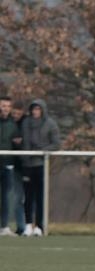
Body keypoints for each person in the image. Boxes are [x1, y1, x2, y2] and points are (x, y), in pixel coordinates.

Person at [21, 99, 61, 237]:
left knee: (40, 197)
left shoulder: (50, 124)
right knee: (27, 197)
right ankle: (27, 225)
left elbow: (56, 144)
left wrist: (43, 150)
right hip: (27, 165)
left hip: (41, 165)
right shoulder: (25, 123)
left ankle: (39, 226)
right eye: (33, 109)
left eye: (38, 109)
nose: (35, 112)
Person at [0, 96, 18, 236]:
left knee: (6, 197)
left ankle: (4, 226)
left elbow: (17, 140)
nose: (5, 108)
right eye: (3, 105)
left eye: (7, 106)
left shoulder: (13, 124)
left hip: (8, 164)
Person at [10, 100, 27, 235]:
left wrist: (21, 142)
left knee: (27, 198)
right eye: (14, 112)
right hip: (14, 165)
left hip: (27, 166)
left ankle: (30, 226)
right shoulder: (9, 123)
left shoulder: (27, 124)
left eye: (18, 113)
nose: (15, 115)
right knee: (17, 198)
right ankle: (21, 227)